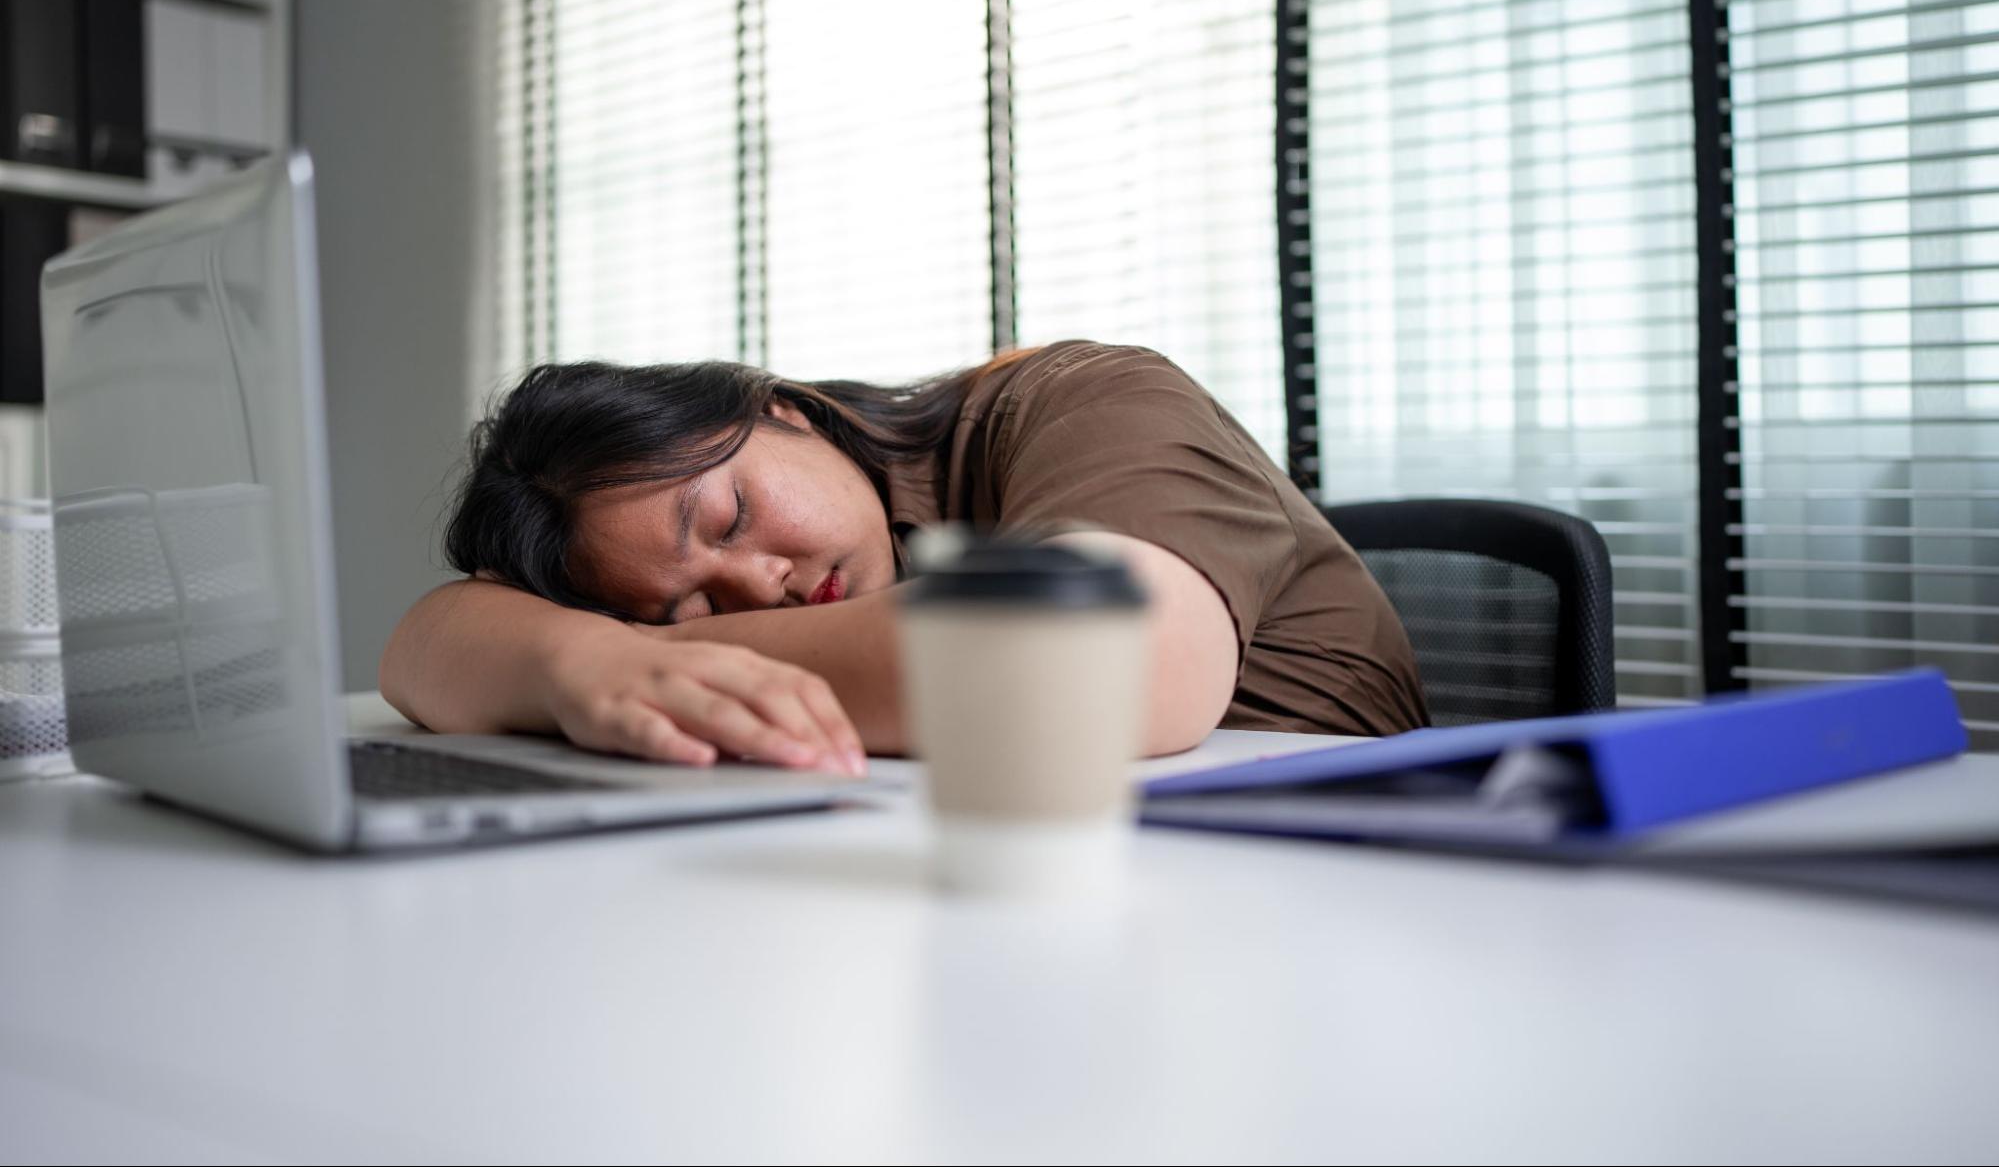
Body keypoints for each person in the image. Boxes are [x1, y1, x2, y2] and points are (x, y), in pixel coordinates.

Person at [380, 340, 1429, 775]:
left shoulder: (1094, 395)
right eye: (684, 610)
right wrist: (586, 662)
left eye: (731, 513)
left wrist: (662, 655)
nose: (753, 590)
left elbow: (1096, 659)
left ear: (783, 410)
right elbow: (425, 641)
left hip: (1344, 884)